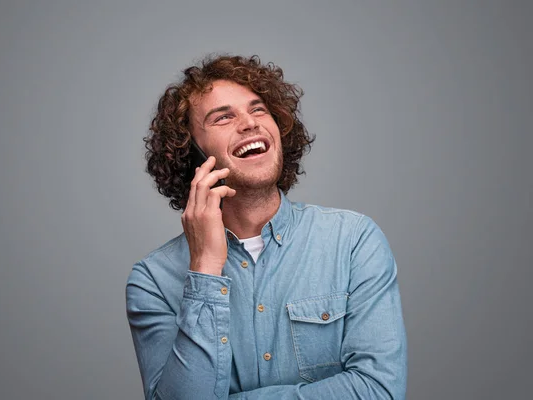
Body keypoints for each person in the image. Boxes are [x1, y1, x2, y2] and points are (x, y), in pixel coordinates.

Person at [126, 55, 407, 399]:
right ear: (192, 153)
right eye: (224, 117)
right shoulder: (152, 281)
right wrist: (205, 271)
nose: (249, 124)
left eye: (258, 110)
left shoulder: (353, 241)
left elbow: (379, 391)